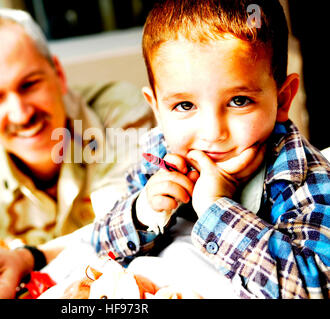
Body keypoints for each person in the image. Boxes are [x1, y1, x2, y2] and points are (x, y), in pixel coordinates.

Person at [91, 0, 330, 298]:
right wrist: (143, 210)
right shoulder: (161, 155)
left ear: (282, 100)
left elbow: (314, 288)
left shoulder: (302, 177)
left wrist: (217, 208)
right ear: (156, 109)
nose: (213, 133)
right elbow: (99, 245)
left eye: (239, 101)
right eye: (184, 105)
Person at [0, 8, 154, 298]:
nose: (21, 114)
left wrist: (26, 258)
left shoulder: (120, 116)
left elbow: (127, 225)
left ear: (58, 74)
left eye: (29, 84)